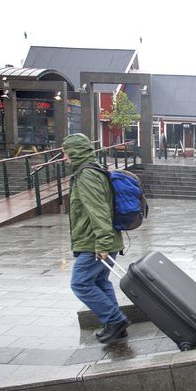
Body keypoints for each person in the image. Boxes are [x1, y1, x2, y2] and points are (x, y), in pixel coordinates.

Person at [64, 133, 130, 344]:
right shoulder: (92, 171)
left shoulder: (87, 176)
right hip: (99, 240)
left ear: (75, 152)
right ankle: (115, 326)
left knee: (80, 283)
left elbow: (98, 211)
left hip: (96, 242)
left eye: (66, 153)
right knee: (100, 281)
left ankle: (115, 320)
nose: (64, 157)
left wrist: (102, 243)